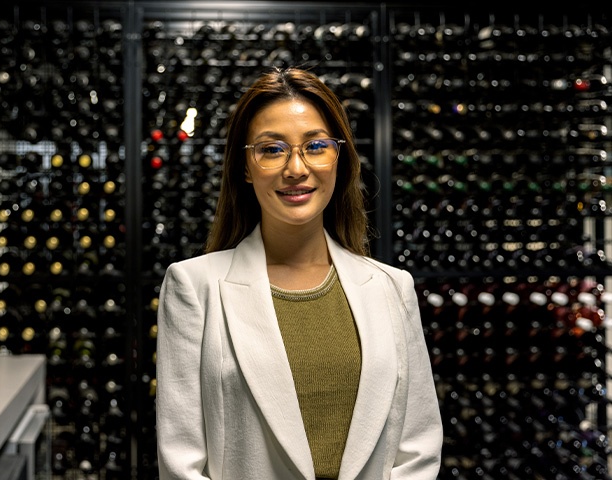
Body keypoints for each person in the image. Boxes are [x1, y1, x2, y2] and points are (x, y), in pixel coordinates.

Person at [155, 66, 443, 480]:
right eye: (272, 149)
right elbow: (181, 461)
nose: (296, 168)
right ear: (246, 167)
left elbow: (417, 449)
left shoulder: (392, 287)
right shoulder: (194, 287)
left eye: (316, 146)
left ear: (338, 158)